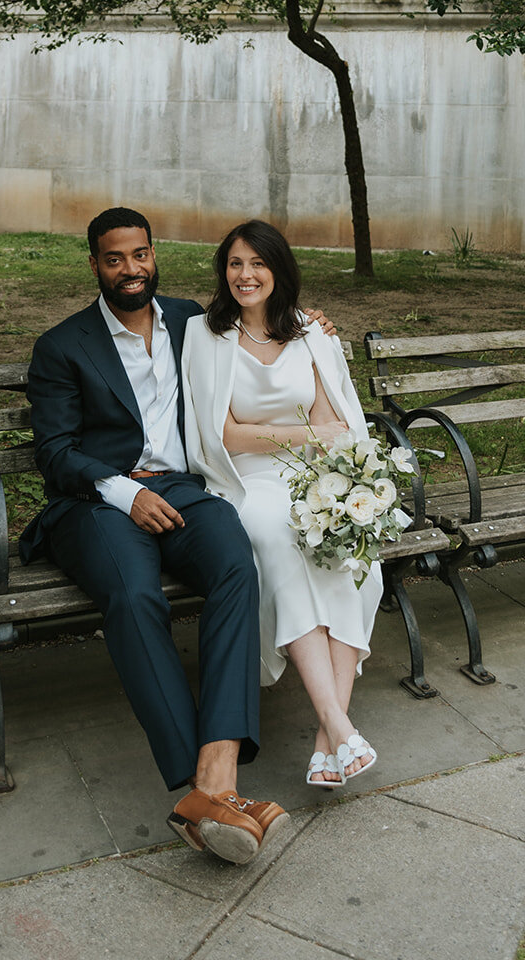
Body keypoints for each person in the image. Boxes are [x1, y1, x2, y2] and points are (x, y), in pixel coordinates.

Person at [18, 207, 334, 863]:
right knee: (135, 598)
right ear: (95, 265)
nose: (130, 269)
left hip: (185, 490)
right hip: (98, 502)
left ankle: (213, 782)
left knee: (233, 564)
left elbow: (264, 321)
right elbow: (54, 453)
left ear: (153, 254)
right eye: (114, 258)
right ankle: (207, 792)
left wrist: (311, 328)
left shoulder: (193, 320)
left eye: (139, 255)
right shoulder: (63, 345)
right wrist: (124, 491)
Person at [181, 219, 384, 789]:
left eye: (258, 264)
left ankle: (331, 737)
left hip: (314, 476)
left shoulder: (310, 333)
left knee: (357, 565)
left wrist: (289, 435)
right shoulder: (205, 335)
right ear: (224, 272)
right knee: (275, 536)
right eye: (235, 264)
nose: (246, 275)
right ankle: (338, 726)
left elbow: (337, 420)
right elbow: (223, 435)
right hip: (245, 481)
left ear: (279, 270)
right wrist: (303, 434)